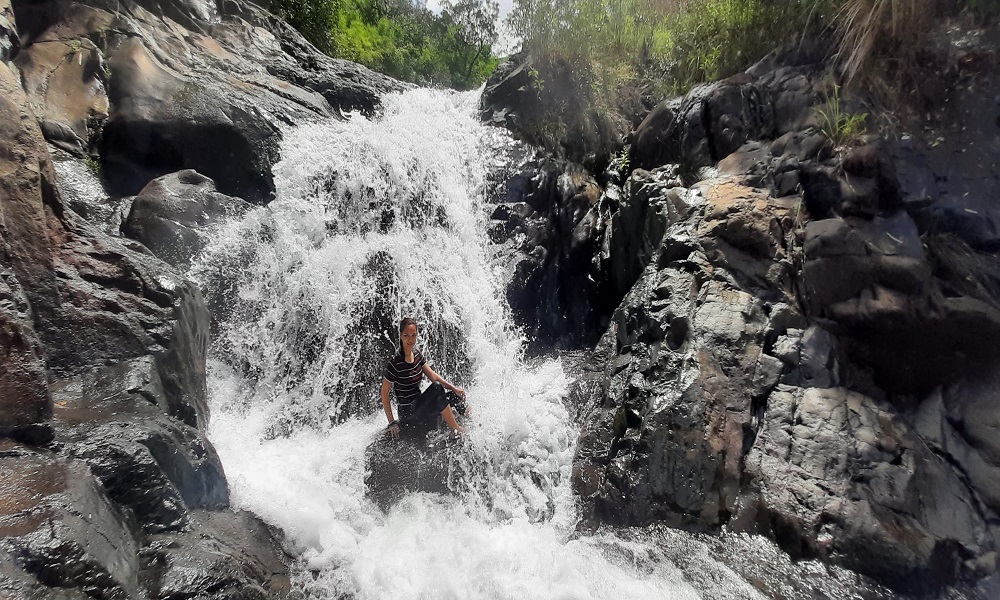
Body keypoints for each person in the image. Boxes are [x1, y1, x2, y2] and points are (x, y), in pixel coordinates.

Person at [381, 317, 467, 440]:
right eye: (406, 335)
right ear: (400, 335)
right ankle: (456, 429)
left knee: (454, 396)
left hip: (419, 406)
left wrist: (454, 388)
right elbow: (384, 393)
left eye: (413, 335)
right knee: (437, 388)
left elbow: (433, 376)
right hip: (408, 413)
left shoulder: (416, 354)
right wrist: (392, 422)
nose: (410, 339)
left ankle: (470, 418)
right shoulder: (395, 362)